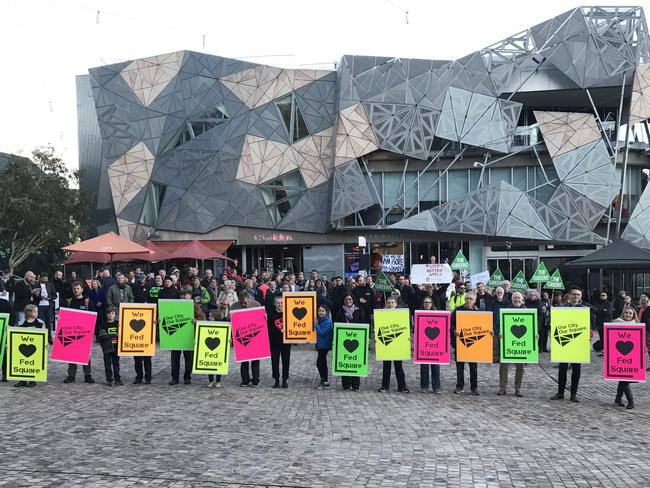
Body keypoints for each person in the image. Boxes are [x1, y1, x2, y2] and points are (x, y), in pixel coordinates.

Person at [551, 286, 588, 402]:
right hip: (564, 341)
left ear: (580, 297)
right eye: (574, 294)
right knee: (562, 368)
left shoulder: (584, 309)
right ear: (569, 295)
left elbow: (588, 325)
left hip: (578, 342)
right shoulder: (562, 308)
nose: (575, 296)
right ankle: (560, 392)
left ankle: (573, 394)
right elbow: (556, 323)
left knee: (576, 369)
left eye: (578, 294)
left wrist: (589, 335)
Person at [451, 292, 484, 395]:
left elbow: (483, 326)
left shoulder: (479, 311)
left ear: (475, 300)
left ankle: (474, 388)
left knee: (473, 367)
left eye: (471, 299)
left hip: (474, 344)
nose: (468, 300)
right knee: (459, 367)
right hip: (460, 343)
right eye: (467, 298)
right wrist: (454, 331)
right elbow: (451, 324)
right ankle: (459, 386)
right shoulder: (458, 310)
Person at [63, 282, 95, 384]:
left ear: (82, 289)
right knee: (71, 354)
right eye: (74, 289)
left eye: (77, 288)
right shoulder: (70, 302)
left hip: (85, 332)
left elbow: (94, 315)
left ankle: (87, 375)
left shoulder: (87, 302)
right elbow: (64, 316)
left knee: (85, 354)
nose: (76, 290)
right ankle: (71, 376)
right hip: (71, 332)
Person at [497, 291, 526, 397]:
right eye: (515, 298)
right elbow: (500, 324)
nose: (517, 299)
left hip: (521, 345)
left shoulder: (528, 312)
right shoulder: (506, 311)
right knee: (503, 366)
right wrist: (500, 333)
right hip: (507, 343)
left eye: (519, 298)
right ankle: (502, 388)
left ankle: (518, 389)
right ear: (511, 299)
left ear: (522, 300)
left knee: (520, 367)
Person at [378, 297, 409, 393]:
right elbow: (379, 329)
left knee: (398, 365)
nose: (390, 304)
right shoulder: (381, 315)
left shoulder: (401, 315)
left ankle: (402, 386)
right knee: (386, 365)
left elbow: (405, 328)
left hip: (397, 344)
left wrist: (407, 338)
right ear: (386, 304)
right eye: (388, 303)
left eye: (392, 302)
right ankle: (384, 385)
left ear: (396, 304)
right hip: (386, 343)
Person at [230, 292, 262, 387]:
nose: (244, 304)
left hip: (255, 334)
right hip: (241, 335)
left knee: (255, 360)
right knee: (244, 360)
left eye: (245, 302)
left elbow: (261, 318)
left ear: (249, 299)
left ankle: (255, 380)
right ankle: (245, 380)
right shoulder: (234, 306)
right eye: (242, 303)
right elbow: (231, 321)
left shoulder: (256, 304)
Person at [335, 293, 366, 391]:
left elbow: (364, 324)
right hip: (343, 341)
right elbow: (336, 325)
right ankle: (346, 385)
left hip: (357, 341)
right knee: (345, 362)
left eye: (350, 299)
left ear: (353, 300)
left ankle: (356, 385)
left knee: (355, 362)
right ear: (343, 301)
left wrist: (366, 338)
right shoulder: (340, 312)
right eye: (346, 299)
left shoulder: (359, 311)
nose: (348, 301)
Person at [612, 306, 638, 409]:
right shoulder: (616, 323)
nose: (628, 315)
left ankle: (618, 397)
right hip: (618, 355)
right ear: (623, 313)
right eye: (626, 313)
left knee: (623, 378)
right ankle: (630, 400)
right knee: (623, 378)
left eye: (630, 313)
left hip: (632, 356)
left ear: (633, 315)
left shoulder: (637, 325)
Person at [14, 304, 46, 387]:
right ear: (28, 312)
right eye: (34, 311)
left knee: (34, 363)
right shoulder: (21, 323)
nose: (36, 313)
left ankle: (33, 379)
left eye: (37, 311)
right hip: (23, 347)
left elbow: (44, 334)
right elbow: (16, 336)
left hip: (36, 348)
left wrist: (46, 344)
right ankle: (22, 380)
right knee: (22, 362)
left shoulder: (40, 323)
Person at [169, 288, 196, 385]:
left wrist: (196, 321)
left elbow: (201, 317)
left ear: (190, 296)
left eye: (186, 295)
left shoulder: (194, 306)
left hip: (188, 336)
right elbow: (167, 316)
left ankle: (187, 377)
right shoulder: (174, 306)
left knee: (189, 358)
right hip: (176, 336)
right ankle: (174, 378)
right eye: (182, 296)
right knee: (174, 358)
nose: (184, 297)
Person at [267, 295, 291, 388]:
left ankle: (285, 380)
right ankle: (276, 380)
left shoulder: (289, 314)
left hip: (286, 342)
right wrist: (279, 331)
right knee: (275, 361)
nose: (280, 304)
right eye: (278, 303)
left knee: (286, 361)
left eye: (281, 302)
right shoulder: (270, 314)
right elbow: (269, 328)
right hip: (274, 342)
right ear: (275, 304)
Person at [419, 296, 441, 394]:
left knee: (435, 366)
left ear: (432, 304)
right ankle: (424, 386)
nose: (427, 304)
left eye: (429, 302)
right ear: (423, 304)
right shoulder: (418, 314)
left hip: (435, 345)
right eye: (425, 302)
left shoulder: (437, 314)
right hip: (423, 344)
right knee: (424, 366)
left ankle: (436, 387)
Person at [97, 306, 122, 386]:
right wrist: (114, 335)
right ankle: (109, 379)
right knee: (107, 365)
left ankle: (117, 379)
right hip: (107, 348)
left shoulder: (118, 323)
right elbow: (103, 336)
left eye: (112, 313)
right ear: (106, 314)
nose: (111, 315)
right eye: (109, 314)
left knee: (116, 364)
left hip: (116, 347)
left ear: (115, 314)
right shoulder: (103, 324)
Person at [33, 272, 56, 344]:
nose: (45, 279)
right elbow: (34, 297)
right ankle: (41, 338)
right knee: (41, 322)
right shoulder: (36, 285)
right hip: (39, 306)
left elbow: (55, 295)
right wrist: (40, 297)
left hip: (48, 306)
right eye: (44, 277)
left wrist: (49, 298)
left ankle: (49, 338)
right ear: (40, 278)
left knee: (48, 323)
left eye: (46, 277)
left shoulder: (50, 285)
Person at [315, 305, 333, 389]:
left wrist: (316, 325)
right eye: (319, 311)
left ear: (326, 312)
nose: (320, 312)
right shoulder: (320, 320)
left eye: (322, 311)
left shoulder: (328, 322)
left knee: (321, 363)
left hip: (324, 345)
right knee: (320, 363)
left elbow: (322, 332)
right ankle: (323, 380)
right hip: (320, 345)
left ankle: (325, 381)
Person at [0, 294, 17, 382]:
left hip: (3, 332)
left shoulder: (4, 303)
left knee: (4, 354)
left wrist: (10, 325)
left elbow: (13, 316)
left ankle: (5, 374)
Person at [592, 291, 612, 356]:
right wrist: (602, 311)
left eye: (604, 295)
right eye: (601, 295)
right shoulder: (597, 303)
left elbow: (608, 312)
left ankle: (605, 350)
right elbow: (594, 311)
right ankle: (603, 349)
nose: (602, 296)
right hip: (599, 323)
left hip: (606, 322)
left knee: (606, 337)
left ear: (606, 296)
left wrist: (599, 311)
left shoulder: (609, 303)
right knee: (601, 336)